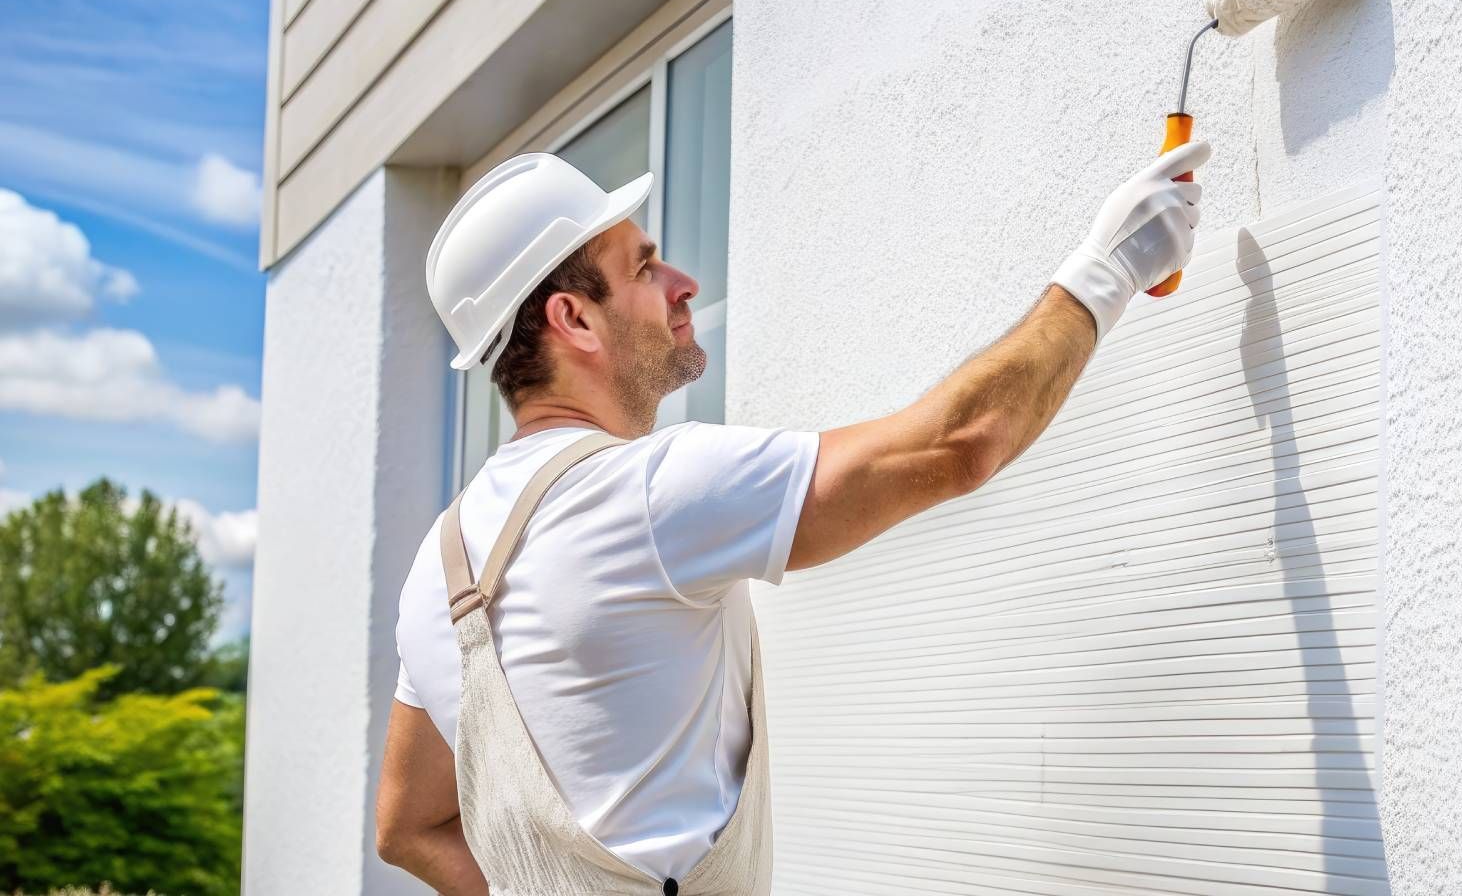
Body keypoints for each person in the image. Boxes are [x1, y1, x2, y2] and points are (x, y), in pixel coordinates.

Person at [375, 142, 1209, 894]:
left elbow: (408, 827)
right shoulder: (648, 491)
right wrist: (1107, 268)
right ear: (573, 319)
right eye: (642, 268)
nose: (682, 284)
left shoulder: (434, 567)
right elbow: (959, 444)